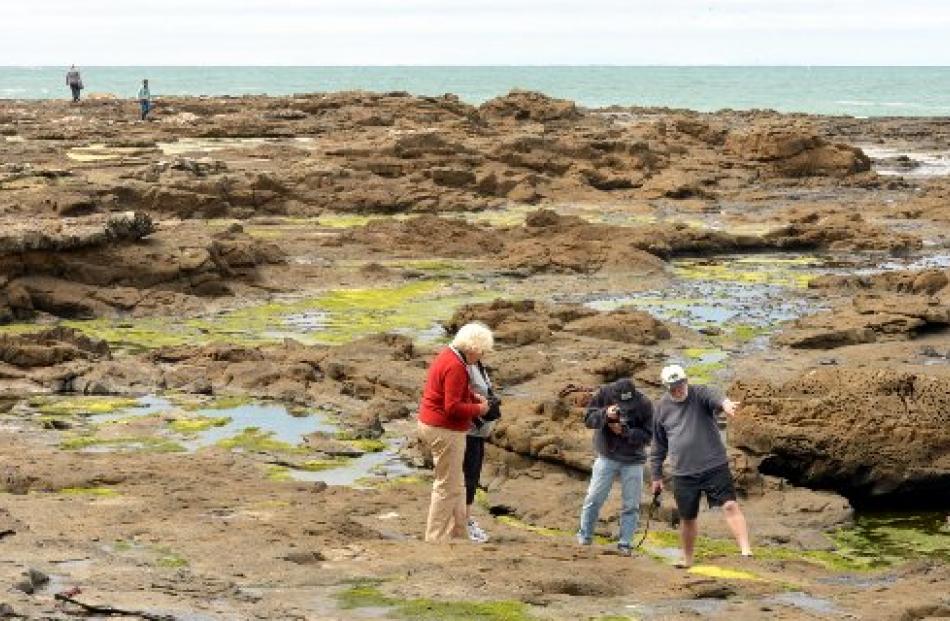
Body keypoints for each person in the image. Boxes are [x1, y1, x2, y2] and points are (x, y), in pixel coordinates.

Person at [650, 364, 752, 568]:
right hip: (683, 473)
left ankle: (746, 550)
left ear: (686, 380)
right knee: (687, 518)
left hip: (714, 465)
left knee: (730, 505)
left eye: (681, 383)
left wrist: (726, 404)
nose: (679, 389)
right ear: (666, 387)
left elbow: (714, 395)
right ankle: (687, 559)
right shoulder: (661, 408)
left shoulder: (699, 394)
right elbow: (658, 446)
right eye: (673, 386)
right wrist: (656, 476)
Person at [417, 322, 492, 542]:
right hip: (445, 431)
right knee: (446, 487)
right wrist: (479, 408)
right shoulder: (457, 366)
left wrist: (471, 397)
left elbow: (454, 392)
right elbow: (452, 407)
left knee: (456, 483)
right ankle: (435, 538)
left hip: (433, 424)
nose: (481, 356)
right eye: (482, 351)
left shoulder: (449, 356)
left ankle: (460, 532)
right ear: (473, 348)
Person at [577, 377, 654, 556]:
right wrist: (605, 414)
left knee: (631, 505)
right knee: (593, 499)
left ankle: (625, 544)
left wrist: (626, 432)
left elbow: (649, 436)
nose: (624, 408)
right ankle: (585, 537)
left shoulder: (644, 403)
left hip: (634, 460)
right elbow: (588, 419)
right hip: (607, 456)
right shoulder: (604, 394)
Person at [463, 358, 501, 543]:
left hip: (479, 431)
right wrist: (480, 406)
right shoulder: (464, 365)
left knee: (473, 478)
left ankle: (466, 520)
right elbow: (463, 396)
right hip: (469, 430)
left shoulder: (478, 364)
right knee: (467, 479)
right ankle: (463, 522)